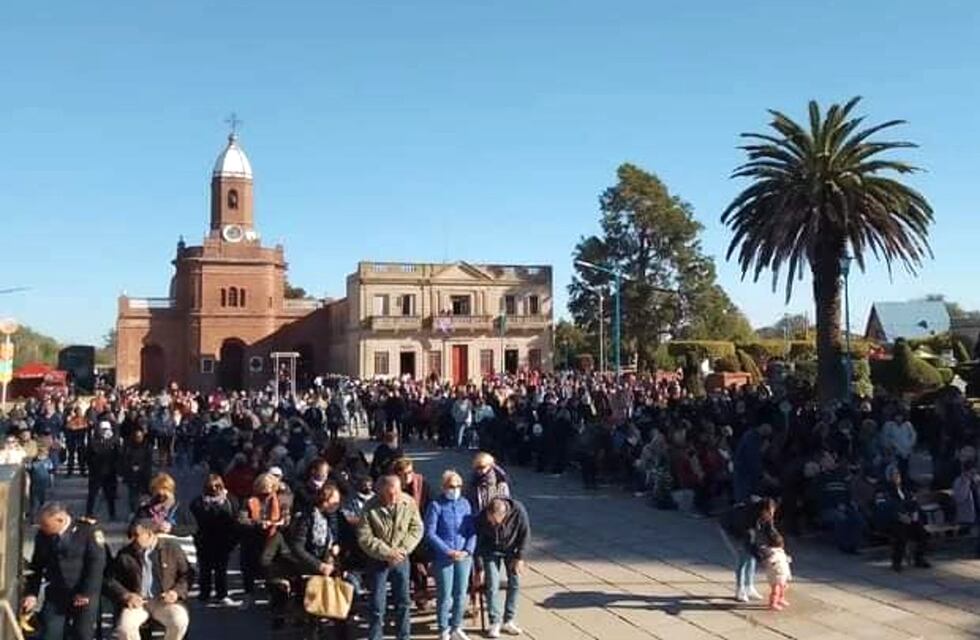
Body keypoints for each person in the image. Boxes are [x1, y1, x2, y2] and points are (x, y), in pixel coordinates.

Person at [22, 503, 107, 640]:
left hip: (82, 593)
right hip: (57, 593)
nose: (43, 528)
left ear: (60, 519)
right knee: (50, 632)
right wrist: (32, 594)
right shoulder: (43, 536)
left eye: (46, 525)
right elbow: (37, 566)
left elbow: (96, 564)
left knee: (82, 634)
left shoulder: (87, 531)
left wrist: (86, 592)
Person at [356, 475, 424, 640]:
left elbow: (416, 528)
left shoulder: (408, 502)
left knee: (403, 602)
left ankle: (403, 636)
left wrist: (402, 550)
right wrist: (387, 552)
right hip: (378, 560)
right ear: (380, 492)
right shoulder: (370, 507)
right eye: (389, 494)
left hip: (401, 559)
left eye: (396, 493)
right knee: (377, 604)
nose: (394, 498)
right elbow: (364, 537)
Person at [106, 518, 191, 640]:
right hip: (138, 603)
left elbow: (187, 574)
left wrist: (176, 592)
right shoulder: (125, 554)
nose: (133, 539)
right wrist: (126, 595)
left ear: (149, 534)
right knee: (125, 628)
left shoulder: (171, 549)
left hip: (163, 601)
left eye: (136, 535)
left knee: (179, 620)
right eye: (131, 535)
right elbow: (111, 580)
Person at [425, 470, 476, 640]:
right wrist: (447, 551)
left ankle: (457, 626)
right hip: (444, 557)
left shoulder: (465, 504)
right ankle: (443, 628)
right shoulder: (436, 505)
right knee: (445, 594)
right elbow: (430, 533)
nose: (455, 489)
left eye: (458, 486)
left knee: (461, 593)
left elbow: (472, 531)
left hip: (463, 556)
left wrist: (467, 551)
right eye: (451, 486)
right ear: (444, 487)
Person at [475, 496, 530, 639]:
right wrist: (479, 567)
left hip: (512, 549)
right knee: (492, 583)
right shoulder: (483, 516)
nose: (492, 524)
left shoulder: (518, 510)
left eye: (495, 522)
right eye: (490, 521)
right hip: (490, 550)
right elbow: (478, 542)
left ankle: (509, 620)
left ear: (504, 514)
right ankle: (495, 621)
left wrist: (520, 558)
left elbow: (525, 534)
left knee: (515, 582)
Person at [189, 474, 240, 605]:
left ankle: (221, 594)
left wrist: (234, 539)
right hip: (204, 540)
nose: (214, 489)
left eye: (217, 486)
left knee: (221, 569)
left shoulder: (230, 500)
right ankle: (204, 594)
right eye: (210, 487)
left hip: (223, 540)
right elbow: (196, 519)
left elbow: (235, 519)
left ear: (222, 486)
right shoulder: (198, 502)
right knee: (205, 569)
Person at [391, 457, 433, 610]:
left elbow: (430, 508)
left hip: (419, 530)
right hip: (398, 532)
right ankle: (406, 593)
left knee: (419, 558)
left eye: (410, 472)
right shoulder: (393, 487)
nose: (408, 476)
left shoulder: (422, 484)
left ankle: (420, 591)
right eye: (404, 473)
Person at [720, 497, 777, 603]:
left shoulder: (766, 512)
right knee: (743, 558)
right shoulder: (747, 517)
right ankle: (740, 589)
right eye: (768, 513)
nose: (770, 515)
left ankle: (749, 586)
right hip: (730, 529)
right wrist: (763, 559)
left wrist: (778, 543)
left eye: (772, 512)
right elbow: (749, 543)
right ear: (762, 511)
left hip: (744, 530)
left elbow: (770, 530)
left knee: (751, 559)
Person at [876, 464, 931, 572]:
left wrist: (915, 513)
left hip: (908, 519)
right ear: (889, 477)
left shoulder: (904, 490)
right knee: (900, 534)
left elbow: (913, 503)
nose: (897, 477)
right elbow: (882, 508)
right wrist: (898, 516)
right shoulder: (883, 491)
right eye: (894, 474)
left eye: (898, 474)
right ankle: (897, 562)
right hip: (892, 521)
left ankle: (919, 558)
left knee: (922, 533)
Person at [85, 421, 120, 521]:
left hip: (110, 472)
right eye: (103, 429)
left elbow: (118, 455)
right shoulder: (93, 441)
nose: (105, 432)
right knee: (92, 494)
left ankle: (112, 514)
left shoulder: (114, 442)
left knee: (110, 495)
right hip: (96, 472)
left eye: (106, 429)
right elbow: (88, 456)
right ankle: (89, 513)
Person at [121, 427, 153, 517]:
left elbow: (149, 461)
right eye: (136, 436)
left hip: (144, 474)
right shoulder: (128, 446)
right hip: (131, 474)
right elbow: (125, 459)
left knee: (145, 494)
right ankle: (133, 511)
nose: (138, 438)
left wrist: (141, 467)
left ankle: (146, 512)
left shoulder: (147, 446)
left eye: (140, 436)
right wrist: (131, 467)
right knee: (133, 494)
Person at [759, 530, 792, 611]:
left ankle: (781, 599)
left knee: (783, 588)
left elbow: (782, 559)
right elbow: (769, 561)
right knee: (776, 590)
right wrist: (770, 562)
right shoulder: (773, 553)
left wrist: (787, 559)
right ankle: (773, 603)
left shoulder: (780, 552)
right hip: (776, 575)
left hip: (782, 574)